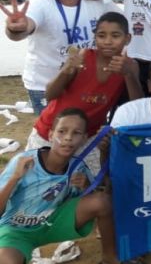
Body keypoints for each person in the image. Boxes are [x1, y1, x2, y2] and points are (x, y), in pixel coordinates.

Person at [0, 109, 144, 264]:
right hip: (15, 231)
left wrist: (86, 187)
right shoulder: (23, 162)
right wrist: (15, 177)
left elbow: (99, 203)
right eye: (62, 131)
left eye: (76, 133)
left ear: (84, 139)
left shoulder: (79, 167)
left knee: (101, 200)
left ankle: (110, 258)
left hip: (51, 223)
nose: (68, 138)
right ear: (50, 135)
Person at [28, 12, 142, 170]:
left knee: (89, 183)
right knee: (37, 177)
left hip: (88, 136)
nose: (108, 42)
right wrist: (67, 70)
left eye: (115, 36)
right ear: (95, 37)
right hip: (52, 132)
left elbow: (137, 106)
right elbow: (49, 95)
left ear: (127, 38)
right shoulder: (83, 57)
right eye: (102, 36)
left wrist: (128, 75)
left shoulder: (129, 65)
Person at [2, 0, 109, 114]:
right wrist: (15, 28)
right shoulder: (38, 3)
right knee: (54, 136)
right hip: (45, 85)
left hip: (86, 82)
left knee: (86, 134)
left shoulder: (97, 2)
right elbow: (22, 30)